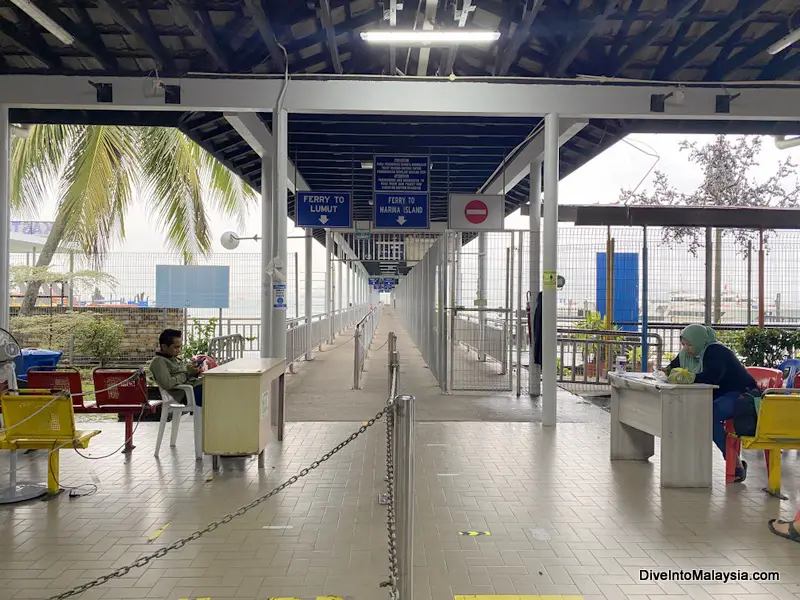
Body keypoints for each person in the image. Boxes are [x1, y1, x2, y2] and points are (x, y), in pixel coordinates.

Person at [666, 324, 758, 482]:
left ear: (699, 341)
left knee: (708, 415)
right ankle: (693, 463)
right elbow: (671, 368)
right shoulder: (688, 355)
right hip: (718, 395)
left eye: (690, 344)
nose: (687, 348)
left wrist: (690, 377)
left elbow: (711, 377)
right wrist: (666, 372)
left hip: (740, 394)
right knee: (696, 412)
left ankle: (734, 463)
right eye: (684, 345)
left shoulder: (715, 350)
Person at [149, 329, 203, 407]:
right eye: (176, 347)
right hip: (187, 394)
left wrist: (195, 371)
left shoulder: (175, 359)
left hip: (195, 387)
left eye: (180, 347)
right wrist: (187, 374)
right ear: (164, 346)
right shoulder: (158, 361)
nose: (179, 351)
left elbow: (186, 374)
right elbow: (167, 383)